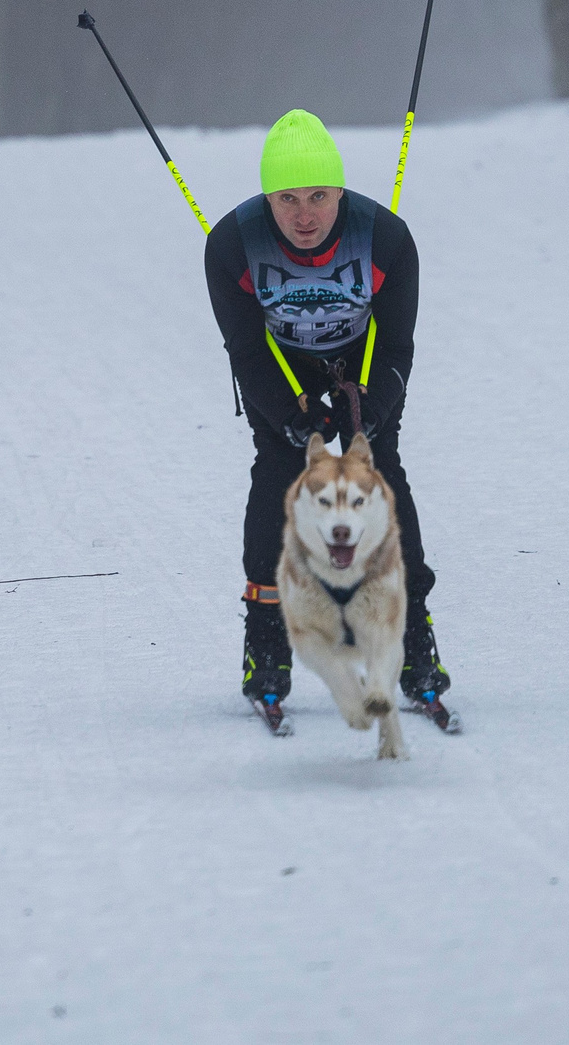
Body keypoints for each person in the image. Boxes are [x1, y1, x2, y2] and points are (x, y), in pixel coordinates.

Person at [203, 108, 450, 715]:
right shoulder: (232, 244)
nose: (305, 215)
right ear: (268, 199)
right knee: (280, 470)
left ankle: (413, 636)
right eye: (287, 199)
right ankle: (266, 640)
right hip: (281, 369)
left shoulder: (386, 239)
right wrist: (292, 414)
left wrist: (370, 410)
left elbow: (397, 346)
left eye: (318, 195)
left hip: (361, 365)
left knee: (378, 470)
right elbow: (245, 349)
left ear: (340, 190)